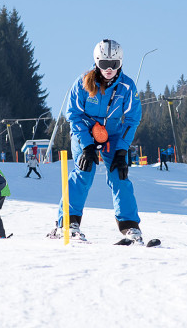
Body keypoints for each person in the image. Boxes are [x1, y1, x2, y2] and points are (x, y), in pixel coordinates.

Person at [46, 39, 144, 245]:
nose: (109, 69)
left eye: (114, 65)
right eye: (104, 64)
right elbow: (73, 115)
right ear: (96, 62)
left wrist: (121, 150)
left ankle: (130, 225)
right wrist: (87, 145)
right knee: (84, 170)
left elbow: (133, 120)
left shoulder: (127, 86)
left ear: (121, 63)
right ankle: (68, 222)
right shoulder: (82, 82)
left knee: (120, 174)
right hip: (86, 132)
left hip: (114, 134)